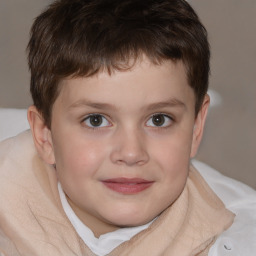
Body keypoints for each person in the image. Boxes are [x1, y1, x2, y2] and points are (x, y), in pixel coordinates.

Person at [0, 0, 255, 255]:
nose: (131, 153)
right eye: (96, 120)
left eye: (159, 120)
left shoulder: (240, 238)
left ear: (196, 128)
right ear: (44, 135)